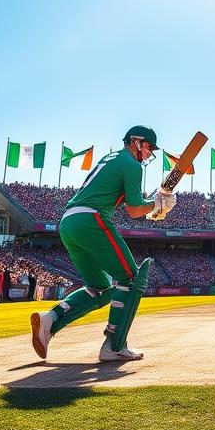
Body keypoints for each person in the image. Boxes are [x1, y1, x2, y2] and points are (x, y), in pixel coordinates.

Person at [29, 126, 173, 362]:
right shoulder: (131, 164)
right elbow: (136, 209)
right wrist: (158, 204)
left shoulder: (112, 158)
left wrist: (155, 207)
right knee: (131, 278)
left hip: (68, 224)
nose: (150, 153)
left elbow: (135, 206)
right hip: (90, 220)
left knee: (101, 289)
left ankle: (50, 320)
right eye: (148, 146)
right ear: (136, 142)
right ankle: (114, 346)